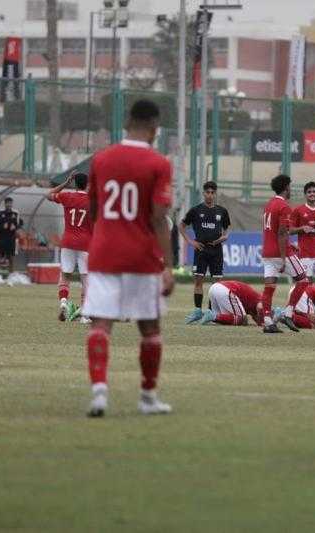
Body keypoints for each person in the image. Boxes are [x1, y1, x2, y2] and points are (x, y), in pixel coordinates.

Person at [81, 99, 175, 418]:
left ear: (126, 125)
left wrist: (105, 234)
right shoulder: (159, 163)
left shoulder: (101, 159)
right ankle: (147, 397)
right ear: (154, 128)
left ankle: (99, 392)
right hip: (142, 257)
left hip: (104, 252)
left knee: (100, 324)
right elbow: (159, 217)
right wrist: (169, 266)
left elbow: (93, 209)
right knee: (150, 329)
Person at [261, 174, 310, 334]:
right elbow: (282, 233)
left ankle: (268, 322)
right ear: (285, 187)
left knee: (269, 288)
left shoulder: (268, 205)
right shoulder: (284, 207)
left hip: (267, 252)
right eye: (290, 186)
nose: (291, 189)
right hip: (280, 253)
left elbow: (275, 230)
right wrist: (283, 257)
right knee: (303, 280)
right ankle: (288, 313)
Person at [180, 181, 231, 324]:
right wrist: (191, 242)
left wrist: (224, 237)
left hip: (216, 251)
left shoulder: (222, 211)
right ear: (203, 193)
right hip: (201, 250)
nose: (210, 195)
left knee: (217, 284)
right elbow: (181, 226)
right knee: (198, 281)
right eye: (207, 192)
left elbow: (227, 230)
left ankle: (210, 312)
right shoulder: (196, 210)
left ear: (215, 194)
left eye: (212, 192)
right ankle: (197, 311)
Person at [46, 172, 92, 322]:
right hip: (85, 244)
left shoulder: (67, 196)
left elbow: (48, 194)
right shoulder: (92, 201)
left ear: (74, 183)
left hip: (67, 242)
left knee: (65, 275)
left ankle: (64, 302)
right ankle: (85, 314)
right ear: (87, 184)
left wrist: (65, 184)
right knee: (86, 279)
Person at [0, 197, 23, 286]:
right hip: (1, 238)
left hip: (11, 239)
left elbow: (19, 224)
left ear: (12, 204)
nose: (9, 205)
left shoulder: (15, 213)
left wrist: (15, 228)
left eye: (10, 203)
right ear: (4, 204)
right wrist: (2, 227)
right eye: (7, 203)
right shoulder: (0, 212)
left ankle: (10, 279)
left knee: (11, 258)